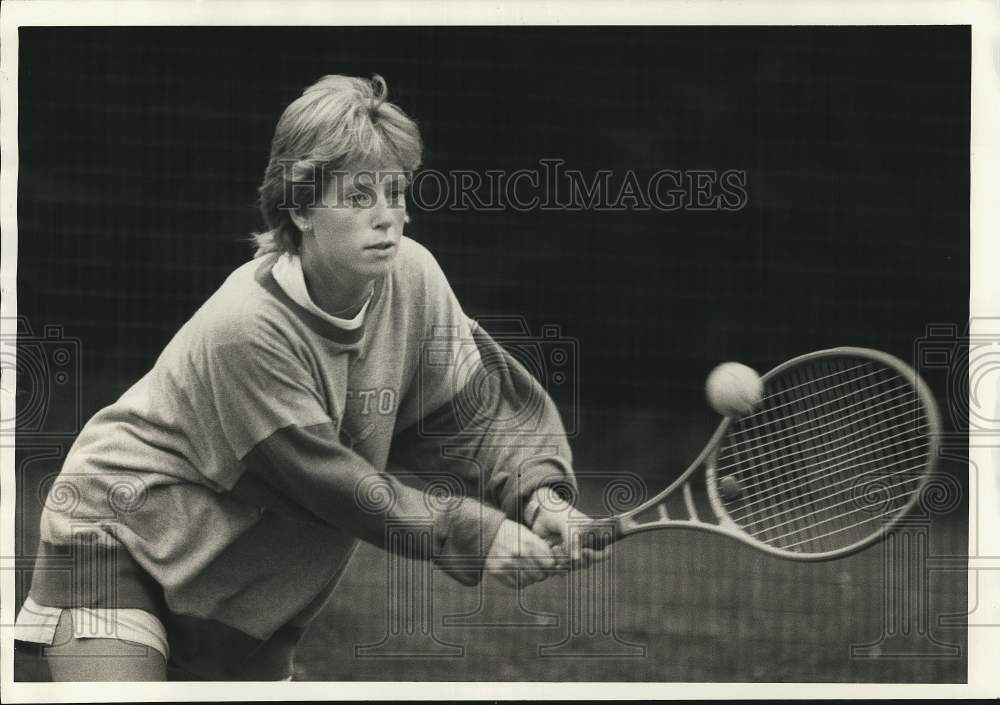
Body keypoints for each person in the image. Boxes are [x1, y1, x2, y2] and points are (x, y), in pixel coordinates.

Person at [13, 74, 607, 681]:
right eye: (358, 197)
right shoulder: (246, 326)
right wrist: (475, 535)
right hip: (118, 533)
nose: (387, 218)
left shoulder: (416, 279)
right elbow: (327, 482)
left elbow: (482, 414)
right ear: (300, 208)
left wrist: (540, 495)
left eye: (396, 191)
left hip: (246, 592)